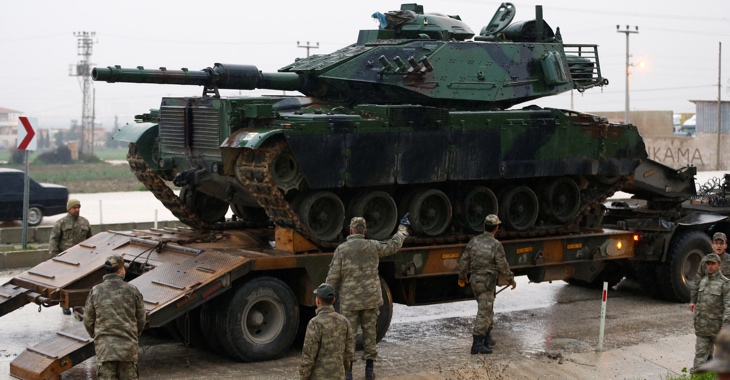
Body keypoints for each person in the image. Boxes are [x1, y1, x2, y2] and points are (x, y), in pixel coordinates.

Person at [326, 215, 409, 380]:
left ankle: (348, 373)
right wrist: (402, 230)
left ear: (350, 230)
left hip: (350, 301)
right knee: (370, 334)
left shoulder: (342, 249)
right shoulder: (373, 246)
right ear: (364, 231)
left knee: (348, 336)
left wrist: (325, 298)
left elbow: (332, 277)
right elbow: (393, 246)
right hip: (371, 300)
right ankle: (369, 370)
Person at [457, 214, 516, 355]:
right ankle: (477, 345)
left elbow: (464, 260)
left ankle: (487, 338)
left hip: (475, 281)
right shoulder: (496, 245)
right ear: (496, 228)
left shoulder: (474, 241)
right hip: (487, 282)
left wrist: (462, 276)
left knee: (487, 308)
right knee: (484, 312)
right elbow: (502, 264)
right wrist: (511, 279)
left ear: (484, 226)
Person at [84, 255, 146, 380]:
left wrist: (98, 335)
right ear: (120, 271)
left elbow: (88, 320)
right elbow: (141, 319)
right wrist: (134, 334)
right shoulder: (132, 290)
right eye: (124, 268)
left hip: (105, 349)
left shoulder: (96, 291)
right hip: (128, 349)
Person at [300, 283, 354, 380]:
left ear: (318, 301)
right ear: (333, 300)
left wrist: (304, 377)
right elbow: (349, 352)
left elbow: (309, 355)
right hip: (339, 375)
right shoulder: (344, 321)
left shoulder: (315, 323)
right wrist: (344, 369)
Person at [49, 198, 93, 315]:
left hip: (82, 258)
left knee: (81, 283)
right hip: (66, 259)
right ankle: (65, 305)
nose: (77, 210)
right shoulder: (61, 223)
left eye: (78, 207)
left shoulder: (85, 222)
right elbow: (54, 240)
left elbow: (91, 240)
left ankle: (78, 304)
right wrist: (55, 257)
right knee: (65, 284)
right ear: (69, 209)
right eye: (74, 207)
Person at [689, 253, 730, 373]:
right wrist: (693, 302)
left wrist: (726, 325)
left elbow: (728, 305)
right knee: (699, 358)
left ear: (719, 265)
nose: (710, 266)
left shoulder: (725, 283)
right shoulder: (703, 281)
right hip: (703, 328)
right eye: (708, 264)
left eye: (713, 264)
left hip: (718, 329)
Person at [691, 232, 730, 312]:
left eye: (721, 243)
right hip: (709, 302)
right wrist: (693, 301)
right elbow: (697, 281)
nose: (719, 246)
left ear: (725, 245)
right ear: (712, 245)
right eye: (716, 243)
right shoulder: (705, 261)